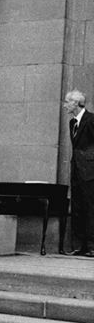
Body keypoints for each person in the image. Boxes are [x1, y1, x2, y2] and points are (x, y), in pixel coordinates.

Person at [64, 90, 94, 256]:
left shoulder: (91, 120)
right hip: (77, 171)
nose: (65, 105)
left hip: (90, 172)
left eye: (67, 102)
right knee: (78, 207)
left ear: (75, 103)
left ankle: (92, 246)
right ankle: (83, 245)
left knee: (90, 207)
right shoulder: (72, 123)